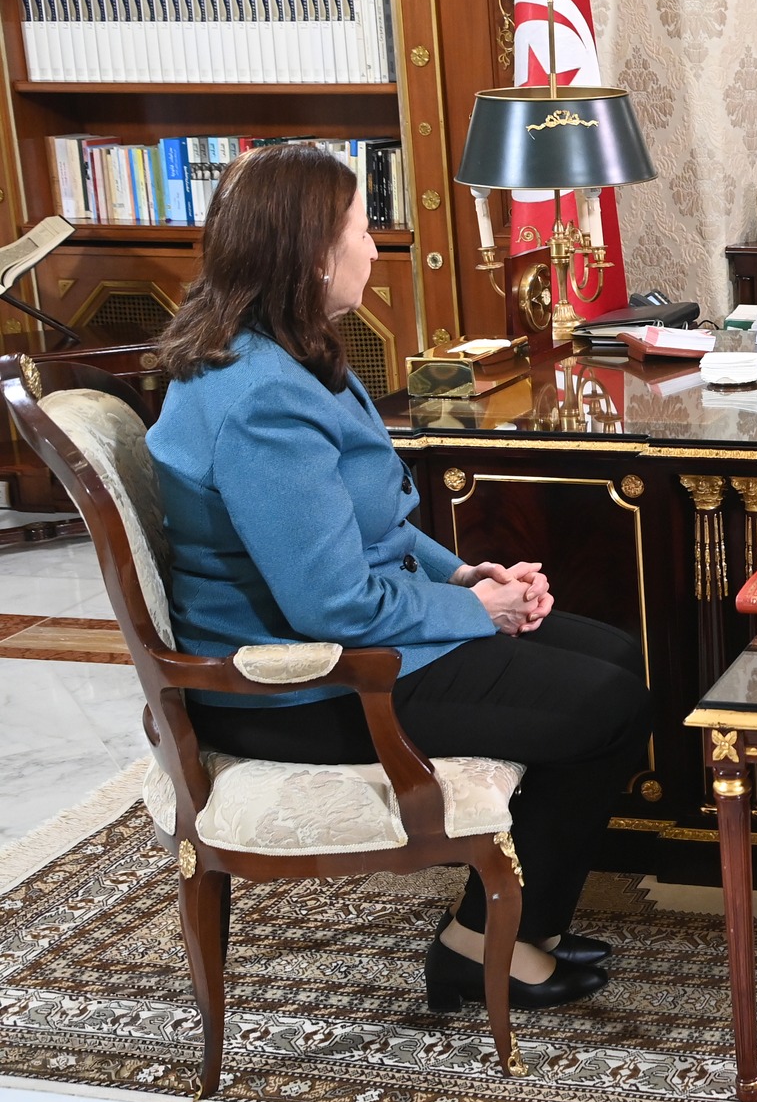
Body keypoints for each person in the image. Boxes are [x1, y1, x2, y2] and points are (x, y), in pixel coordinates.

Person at [146, 144, 652, 1014]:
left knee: (615, 655)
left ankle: (518, 923)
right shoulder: (260, 398)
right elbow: (333, 603)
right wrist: (475, 609)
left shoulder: (289, 352)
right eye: (358, 229)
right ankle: (481, 945)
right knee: (607, 702)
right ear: (311, 254)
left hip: (350, 644)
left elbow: (366, 521)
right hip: (300, 685)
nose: (373, 248)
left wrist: (464, 573)